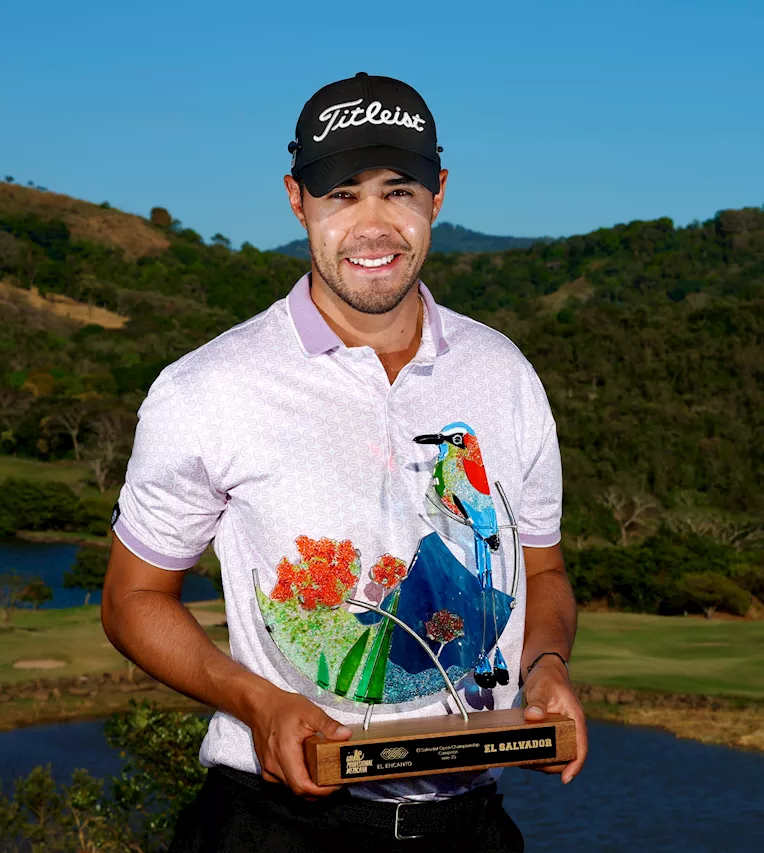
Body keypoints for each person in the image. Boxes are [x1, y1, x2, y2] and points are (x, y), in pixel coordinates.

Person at [101, 72, 587, 853]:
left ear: (439, 194)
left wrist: (548, 664)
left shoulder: (505, 374)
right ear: (297, 200)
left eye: (398, 191)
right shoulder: (206, 388)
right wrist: (257, 701)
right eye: (342, 195)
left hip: (472, 824)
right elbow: (132, 598)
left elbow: (546, 574)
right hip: (276, 826)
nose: (374, 225)